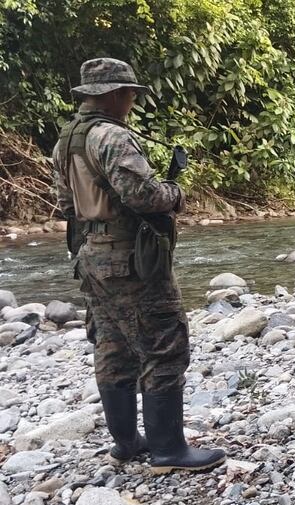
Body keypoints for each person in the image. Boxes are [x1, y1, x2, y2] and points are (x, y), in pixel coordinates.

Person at [52, 58, 225, 474]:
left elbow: (65, 205)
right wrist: (176, 194)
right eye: (130, 93)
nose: (133, 100)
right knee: (165, 346)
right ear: (114, 95)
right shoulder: (112, 136)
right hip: (132, 258)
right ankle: (168, 451)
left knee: (113, 347)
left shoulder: (66, 140)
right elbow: (144, 196)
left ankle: (127, 443)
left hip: (91, 257)